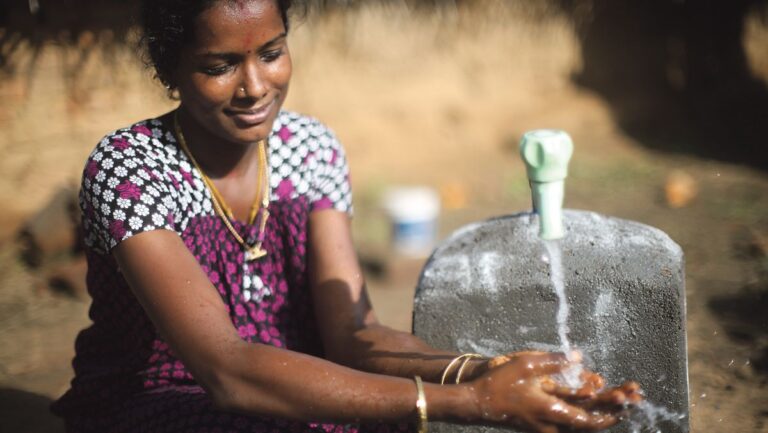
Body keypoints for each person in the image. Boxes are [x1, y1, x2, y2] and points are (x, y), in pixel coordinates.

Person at [51, 1, 642, 432]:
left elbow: (353, 334)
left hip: (307, 388)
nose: (254, 86)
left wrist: (486, 372)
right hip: (163, 402)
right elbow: (227, 372)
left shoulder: (311, 149)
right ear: (169, 69)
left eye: (271, 54)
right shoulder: (130, 170)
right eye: (220, 65)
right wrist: (470, 403)